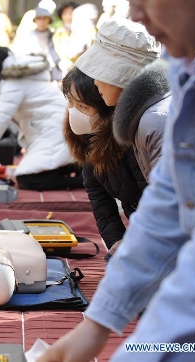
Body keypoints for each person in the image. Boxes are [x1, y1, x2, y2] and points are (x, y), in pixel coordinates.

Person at [37, 0, 195, 360]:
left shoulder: (154, 120)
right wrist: (99, 323)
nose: (135, 13)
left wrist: (133, 346)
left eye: (144, 1)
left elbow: (191, 236)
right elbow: (164, 208)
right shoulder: (182, 81)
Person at [0, 44, 83, 191]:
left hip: (58, 134)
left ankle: (83, 179)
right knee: (30, 174)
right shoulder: (19, 77)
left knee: (26, 178)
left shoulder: (13, 83)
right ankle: (78, 169)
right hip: (60, 132)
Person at [61, 66, 147, 260]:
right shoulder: (89, 143)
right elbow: (102, 206)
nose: (74, 113)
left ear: (106, 107)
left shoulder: (132, 145)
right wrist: (116, 244)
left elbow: (154, 205)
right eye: (71, 104)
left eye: (82, 107)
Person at [75, 18, 170, 183]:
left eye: (100, 73)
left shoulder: (154, 120)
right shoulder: (144, 115)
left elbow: (172, 198)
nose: (95, 81)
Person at [11, 1, 62, 81]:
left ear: (49, 20)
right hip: (35, 71)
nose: (42, 21)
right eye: (39, 18)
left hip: (53, 72)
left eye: (45, 18)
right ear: (35, 20)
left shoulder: (55, 35)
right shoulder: (29, 36)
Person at [52, 1, 78, 75]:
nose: (68, 16)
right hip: (61, 70)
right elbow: (53, 50)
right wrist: (58, 62)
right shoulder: (58, 33)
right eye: (65, 13)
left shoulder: (82, 31)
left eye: (70, 13)